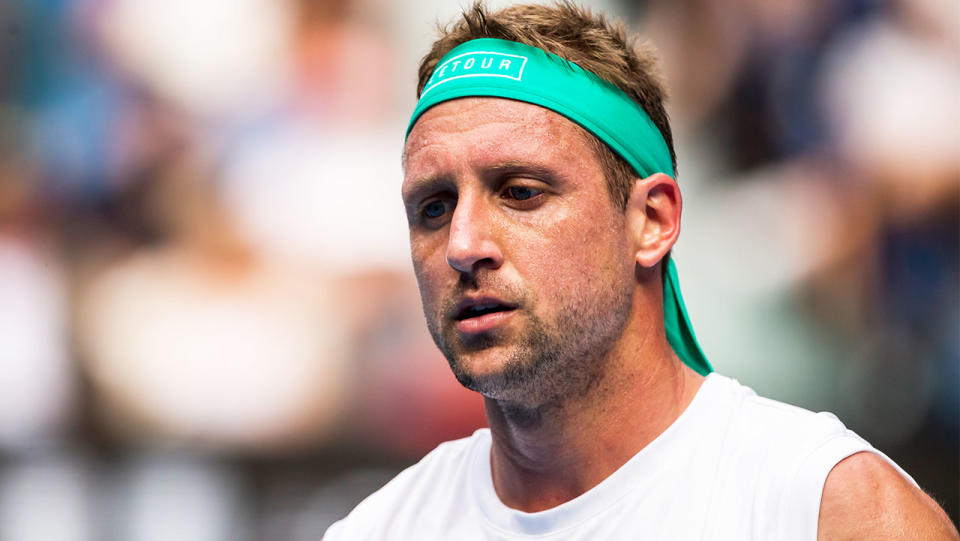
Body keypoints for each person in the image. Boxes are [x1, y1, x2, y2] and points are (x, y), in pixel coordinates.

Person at [324, 2, 958, 539]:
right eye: (433, 208)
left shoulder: (828, 511)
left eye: (520, 192)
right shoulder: (379, 529)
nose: (463, 243)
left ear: (652, 221)